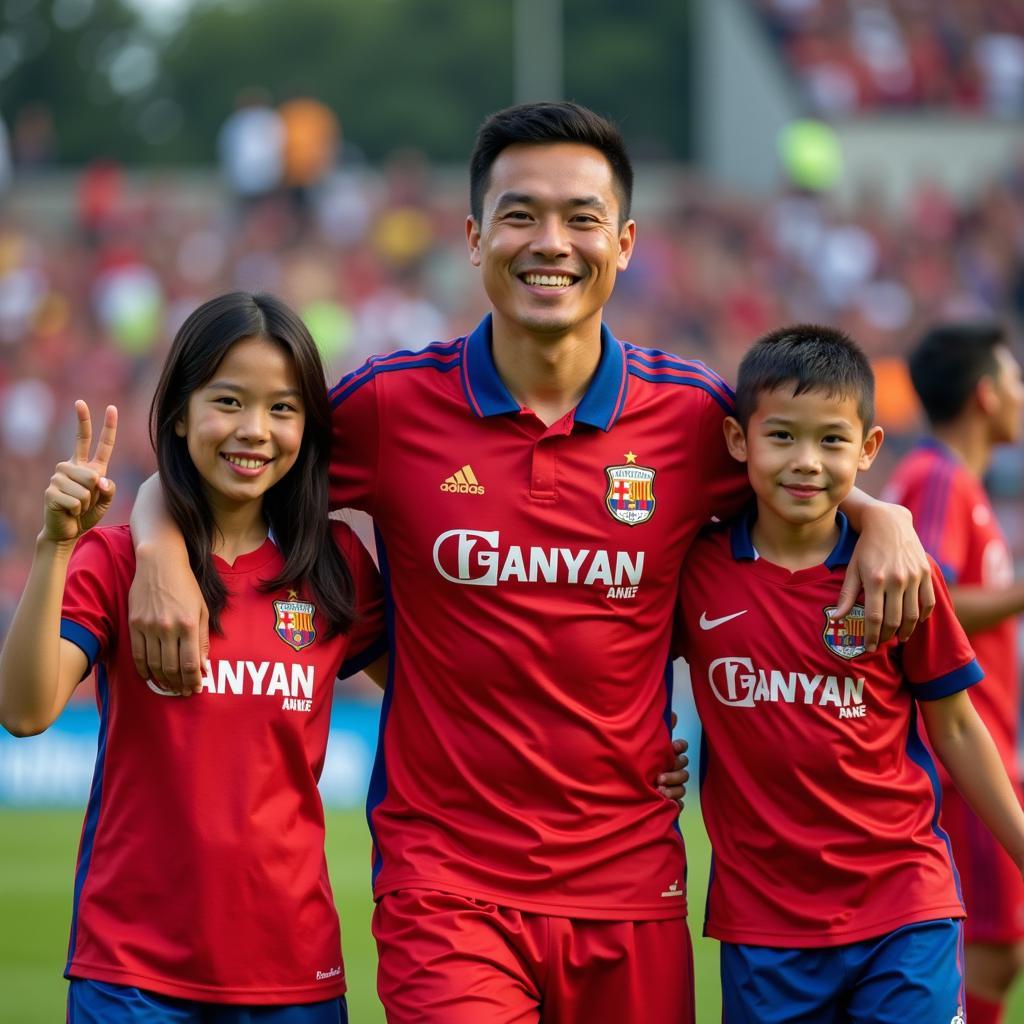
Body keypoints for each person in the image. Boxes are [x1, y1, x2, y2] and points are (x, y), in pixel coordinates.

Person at [129, 104, 935, 1023]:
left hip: (630, 884)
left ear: (624, 242)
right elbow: (239, 463)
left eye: (581, 218)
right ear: (474, 237)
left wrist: (883, 515)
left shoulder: (691, 419)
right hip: (446, 883)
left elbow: (806, 474)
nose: (550, 242)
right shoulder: (392, 407)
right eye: (520, 215)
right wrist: (154, 533)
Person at [0, 292, 388, 1022]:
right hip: (131, 976)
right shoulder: (113, 561)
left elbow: (440, 699)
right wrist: (56, 545)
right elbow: (23, 710)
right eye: (230, 401)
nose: (254, 430)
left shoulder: (333, 565)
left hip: (296, 976)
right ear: (180, 412)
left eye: (283, 408)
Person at [676, 323, 1024, 1022]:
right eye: (782, 437)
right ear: (739, 441)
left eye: (832, 440)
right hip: (763, 928)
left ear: (868, 450)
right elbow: (615, 668)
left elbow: (956, 727)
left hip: (903, 904)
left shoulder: (898, 572)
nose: (806, 461)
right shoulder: (696, 570)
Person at [883, 323, 1024, 1024]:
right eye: (1016, 380)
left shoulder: (956, 481)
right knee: (993, 945)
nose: (1023, 396)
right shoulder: (937, 477)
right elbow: (924, 596)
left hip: (986, 741)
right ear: (985, 394)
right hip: (961, 753)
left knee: (1000, 947)